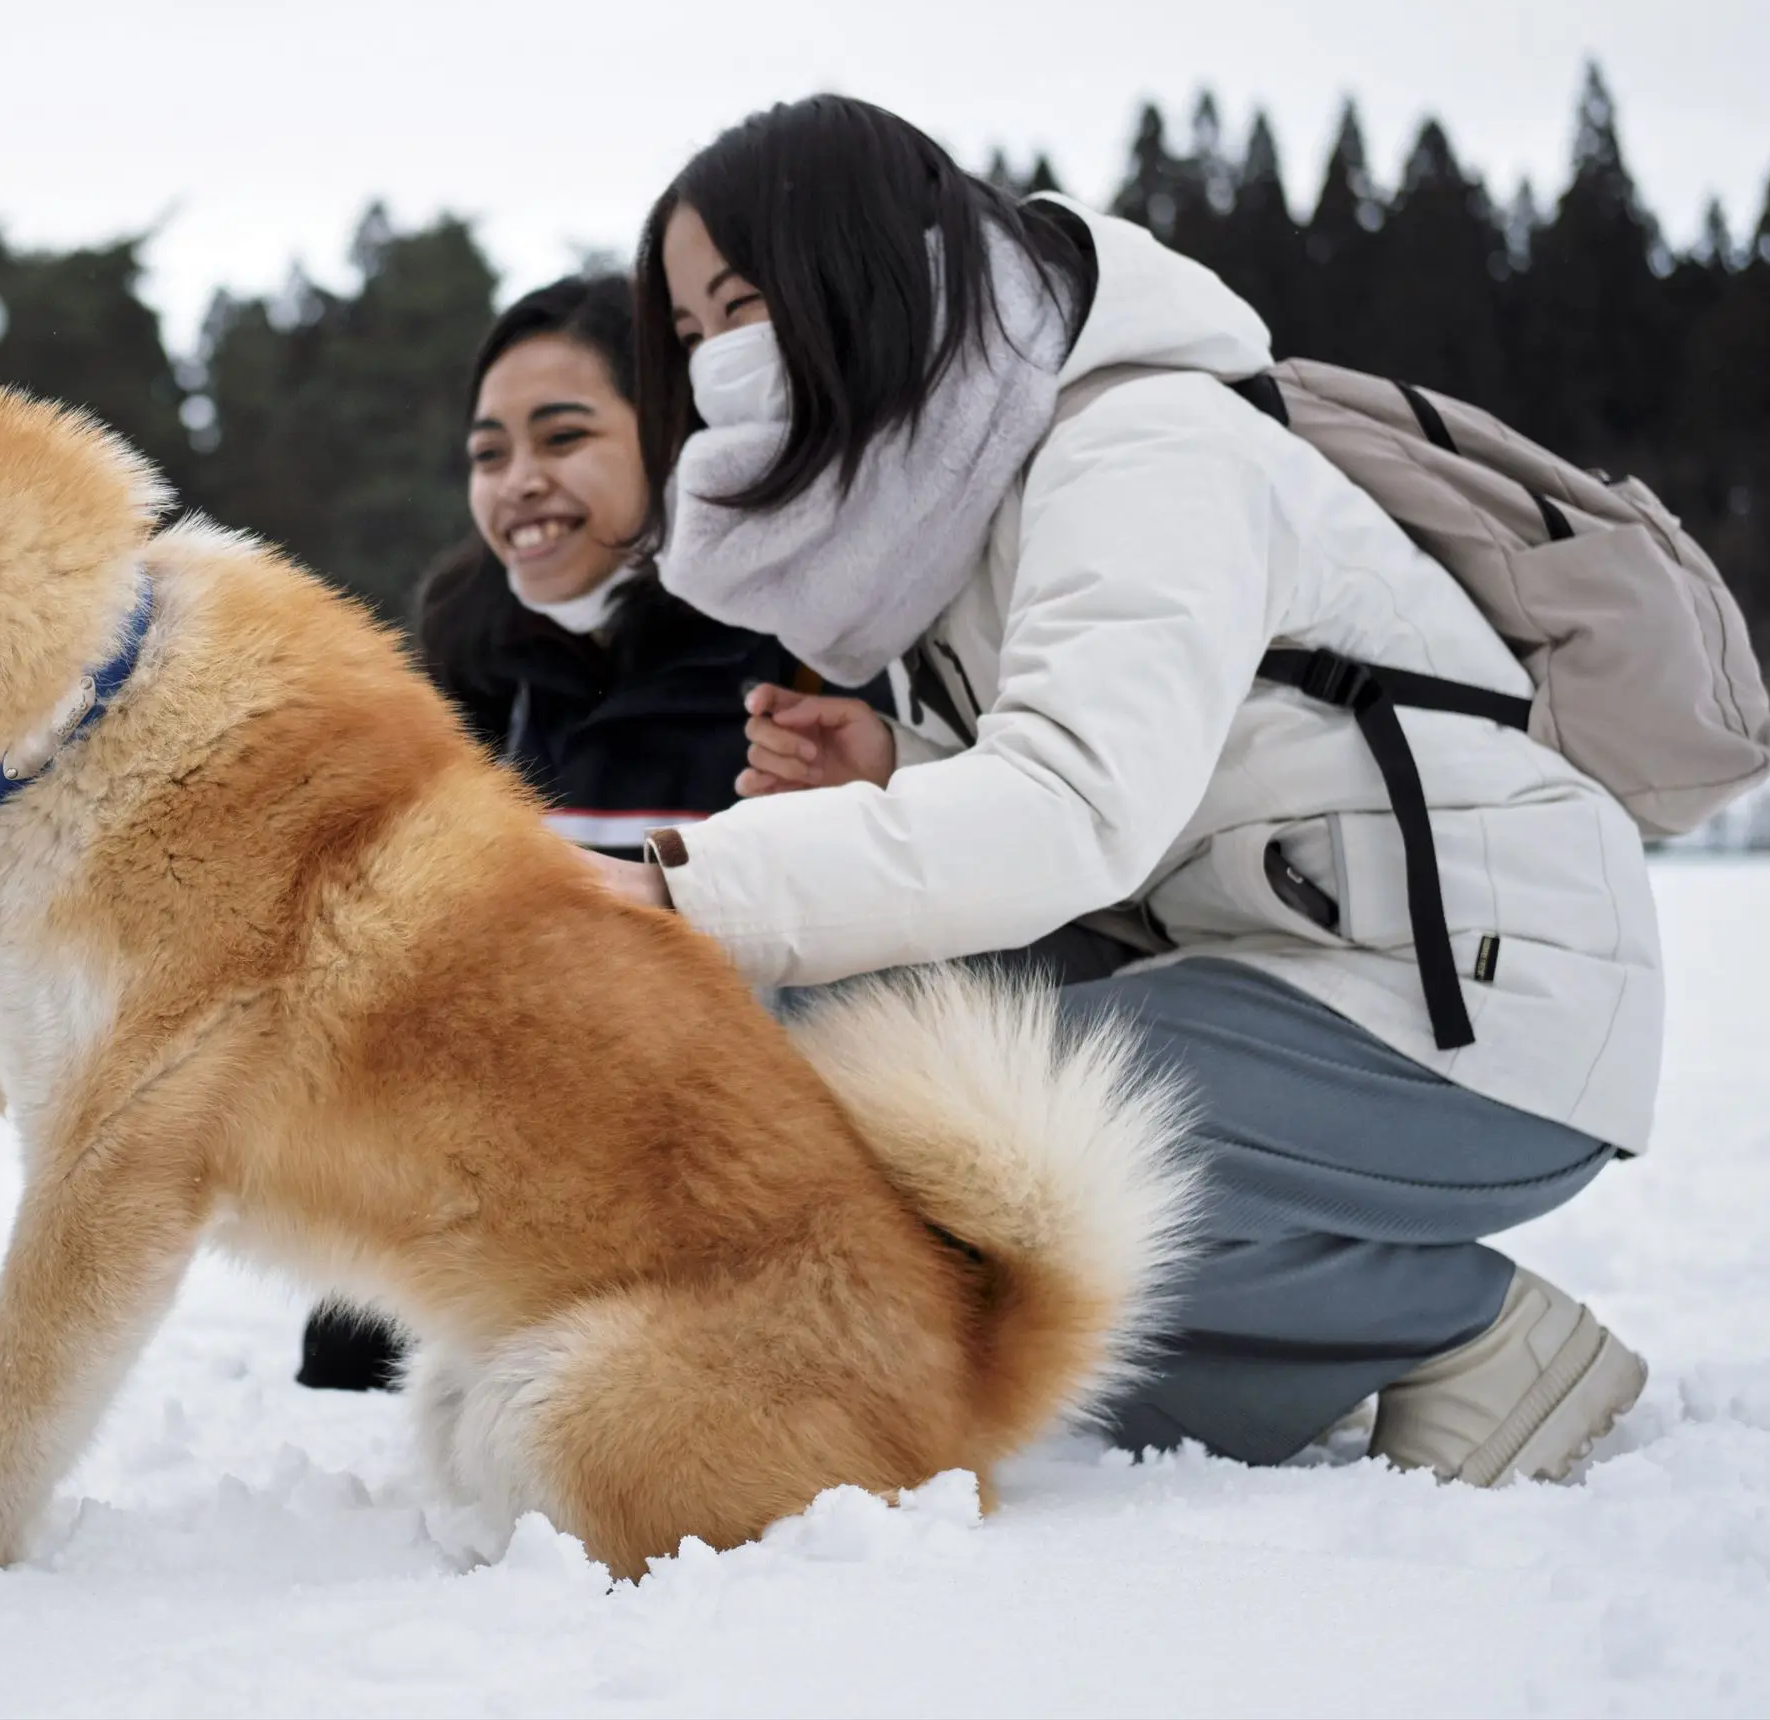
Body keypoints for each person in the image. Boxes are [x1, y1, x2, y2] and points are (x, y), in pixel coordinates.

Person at [589, 95, 1657, 1484]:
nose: (717, 362)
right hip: (1265, 967)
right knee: (814, 1029)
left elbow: (1074, 810)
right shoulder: (943, 518)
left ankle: (1455, 1327)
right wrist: (899, 767)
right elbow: (1130, 778)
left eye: (742, 306)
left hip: (1467, 1002)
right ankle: (1278, 1349)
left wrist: (681, 888)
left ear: (856, 273)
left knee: (933, 1120)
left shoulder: (1147, 448)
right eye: (687, 336)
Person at [296, 272, 880, 1392]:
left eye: (563, 437)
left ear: (672, 440)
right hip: (513, 1178)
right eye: (488, 452)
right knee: (351, 1346)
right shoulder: (471, 671)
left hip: (732, 1193)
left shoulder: (797, 656)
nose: (519, 483)